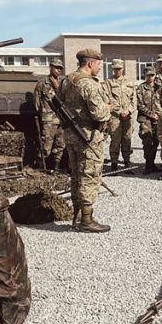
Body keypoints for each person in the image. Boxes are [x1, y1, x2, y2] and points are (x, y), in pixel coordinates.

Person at [62, 48, 112, 233]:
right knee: (89, 176)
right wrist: (108, 108)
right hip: (88, 137)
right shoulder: (88, 84)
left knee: (76, 176)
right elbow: (99, 114)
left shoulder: (67, 81)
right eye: (98, 64)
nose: (99, 68)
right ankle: (86, 220)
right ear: (90, 63)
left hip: (72, 135)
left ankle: (76, 217)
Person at [102, 59, 136, 172]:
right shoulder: (108, 83)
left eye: (119, 69)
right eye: (115, 69)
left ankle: (127, 163)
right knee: (115, 140)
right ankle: (114, 164)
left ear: (123, 69)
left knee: (127, 139)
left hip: (127, 117)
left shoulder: (129, 82)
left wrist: (129, 110)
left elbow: (133, 100)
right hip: (115, 117)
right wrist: (120, 111)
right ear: (112, 69)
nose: (118, 71)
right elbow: (107, 99)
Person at [33, 59, 66, 171]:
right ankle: (41, 167)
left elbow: (67, 99)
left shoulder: (63, 83)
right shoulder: (42, 83)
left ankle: (56, 168)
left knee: (60, 144)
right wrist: (44, 113)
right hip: (49, 120)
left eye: (60, 68)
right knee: (46, 145)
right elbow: (37, 102)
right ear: (50, 67)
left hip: (62, 119)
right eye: (56, 67)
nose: (58, 70)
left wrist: (58, 88)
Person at [136, 68, 161, 174]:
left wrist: (158, 115)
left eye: (152, 75)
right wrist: (151, 114)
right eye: (148, 75)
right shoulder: (141, 88)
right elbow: (139, 104)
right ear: (145, 76)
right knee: (147, 142)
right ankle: (148, 165)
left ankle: (152, 163)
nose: (150, 77)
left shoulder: (159, 88)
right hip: (145, 119)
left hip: (158, 119)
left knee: (155, 141)